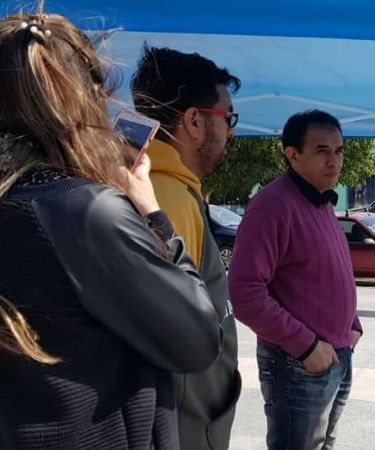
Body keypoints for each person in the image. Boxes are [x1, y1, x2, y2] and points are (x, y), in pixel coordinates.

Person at [0, 11, 221, 449]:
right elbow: (198, 338)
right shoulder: (85, 211)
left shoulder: (31, 201)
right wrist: (152, 213)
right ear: (84, 96)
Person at [228, 110, 362, 450]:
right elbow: (245, 293)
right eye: (322, 151)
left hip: (336, 354)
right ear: (292, 155)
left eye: (339, 150)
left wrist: (352, 323)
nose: (334, 160)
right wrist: (306, 346)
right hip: (298, 362)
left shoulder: (321, 202)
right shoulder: (272, 205)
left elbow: (328, 273)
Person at [130, 46, 241, 449]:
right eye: (228, 118)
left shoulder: (166, 188)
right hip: (183, 424)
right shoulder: (166, 198)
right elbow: (172, 330)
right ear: (194, 120)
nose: (231, 132)